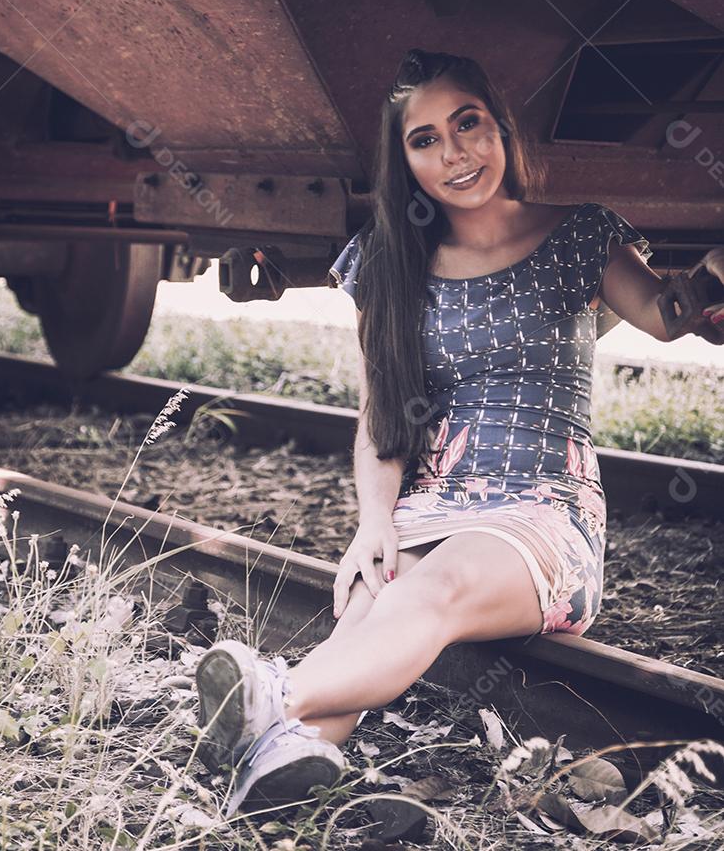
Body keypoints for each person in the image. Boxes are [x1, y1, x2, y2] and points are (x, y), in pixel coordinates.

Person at [193, 48, 724, 819]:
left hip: (545, 512)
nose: (455, 153)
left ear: (501, 127)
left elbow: (669, 317)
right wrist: (375, 523)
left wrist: (712, 277)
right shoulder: (389, 261)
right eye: (426, 139)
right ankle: (279, 768)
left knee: (431, 589)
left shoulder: (579, 236)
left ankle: (271, 696)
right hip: (428, 504)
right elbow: (382, 417)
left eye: (468, 124)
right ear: (404, 161)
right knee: (370, 604)